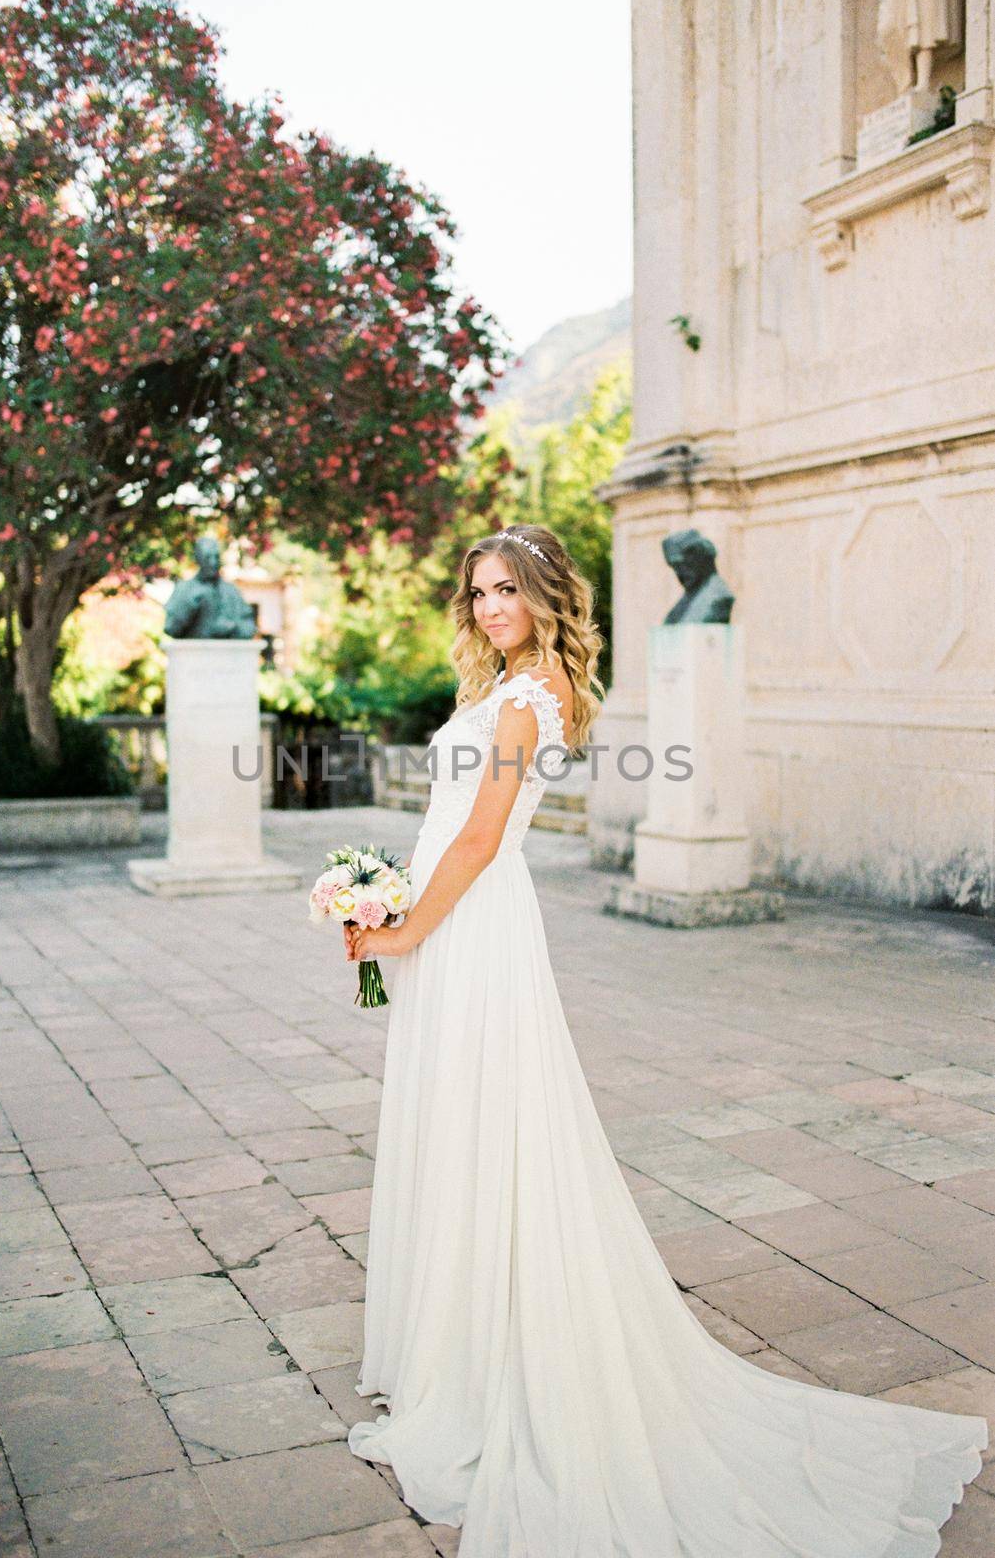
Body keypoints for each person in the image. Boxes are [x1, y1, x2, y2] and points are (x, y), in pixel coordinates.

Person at [344, 523, 987, 1556]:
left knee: (489, 1124)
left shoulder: (531, 698)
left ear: (548, 596)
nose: (489, 607)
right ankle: (453, 1350)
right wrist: (384, 908)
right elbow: (444, 826)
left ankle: (497, 1364)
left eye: (507, 589)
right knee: (451, 1124)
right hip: (443, 925)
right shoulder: (498, 687)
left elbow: (476, 835)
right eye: (477, 592)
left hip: (472, 925)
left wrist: (406, 924)